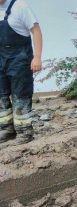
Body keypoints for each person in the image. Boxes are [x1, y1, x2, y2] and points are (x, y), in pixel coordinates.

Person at [0, 0, 42, 145]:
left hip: (19, 57)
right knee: (1, 94)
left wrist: (37, 57)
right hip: (1, 57)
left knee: (20, 94)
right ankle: (6, 129)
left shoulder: (20, 6)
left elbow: (35, 30)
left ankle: (25, 133)